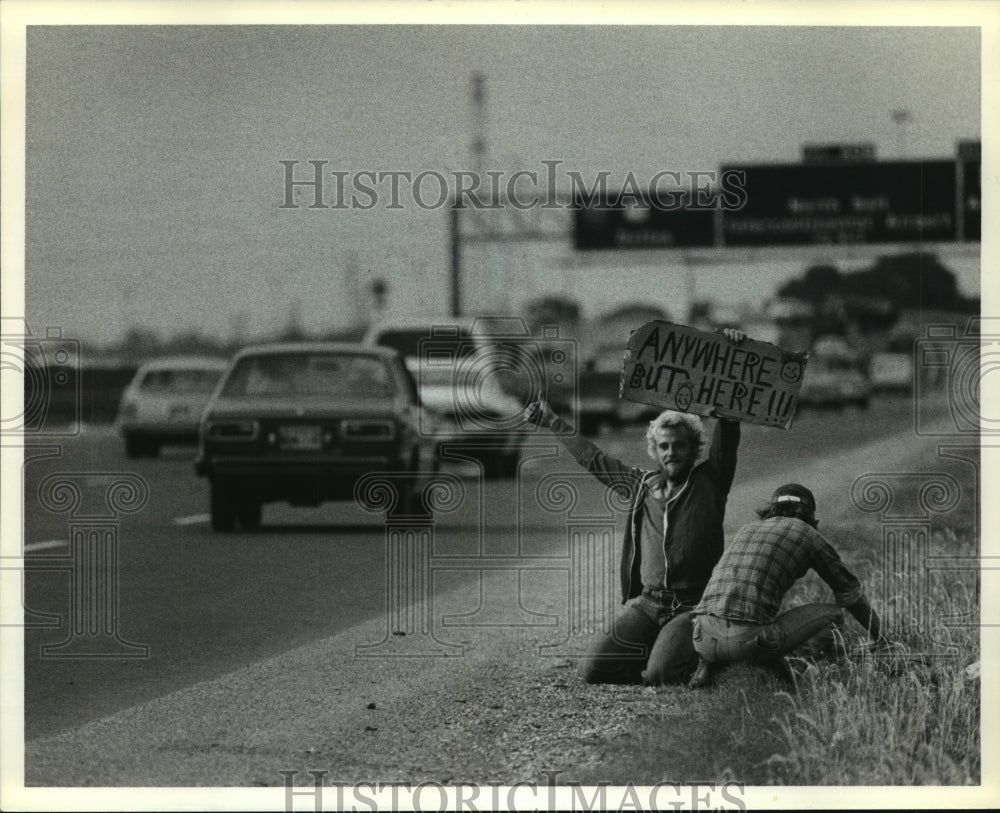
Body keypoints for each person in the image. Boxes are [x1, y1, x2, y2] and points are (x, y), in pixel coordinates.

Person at [523, 328, 745, 685]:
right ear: (654, 451)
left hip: (692, 606)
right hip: (648, 604)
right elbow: (593, 459)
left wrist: (732, 357)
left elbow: (728, 427)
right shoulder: (642, 485)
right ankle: (662, 648)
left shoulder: (711, 480)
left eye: (680, 446)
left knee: (660, 675)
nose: (672, 453)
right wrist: (552, 421)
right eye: (664, 447)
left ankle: (688, 653)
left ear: (695, 449)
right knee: (593, 671)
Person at [688, 482, 888, 688]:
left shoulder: (748, 528)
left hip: (701, 636)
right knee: (834, 616)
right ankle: (793, 664)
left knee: (731, 603)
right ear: (809, 513)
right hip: (746, 641)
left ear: (771, 509)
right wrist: (882, 638)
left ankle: (708, 666)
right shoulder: (807, 534)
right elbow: (850, 595)